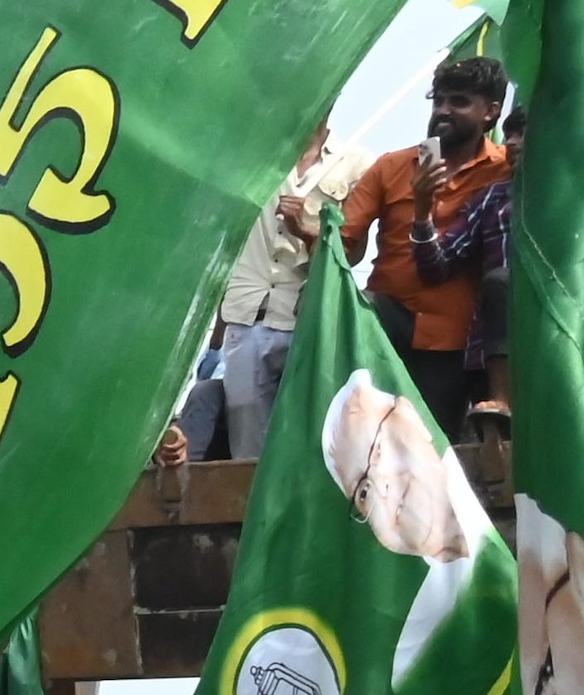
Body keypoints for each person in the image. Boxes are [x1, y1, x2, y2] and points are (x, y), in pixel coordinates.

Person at [343, 58, 510, 438]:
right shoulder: (392, 166)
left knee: (433, 445)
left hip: (457, 337)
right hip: (386, 326)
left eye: (460, 102)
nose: (444, 112)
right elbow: (344, 241)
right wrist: (312, 235)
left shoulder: (505, 168)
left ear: (492, 112)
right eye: (439, 102)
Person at [186, 127, 355, 460]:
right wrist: (215, 343)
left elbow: (352, 251)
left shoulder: (354, 163)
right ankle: (249, 509)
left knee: (311, 427)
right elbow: (224, 245)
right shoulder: (251, 157)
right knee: (247, 438)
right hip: (246, 316)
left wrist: (306, 230)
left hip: (308, 320)